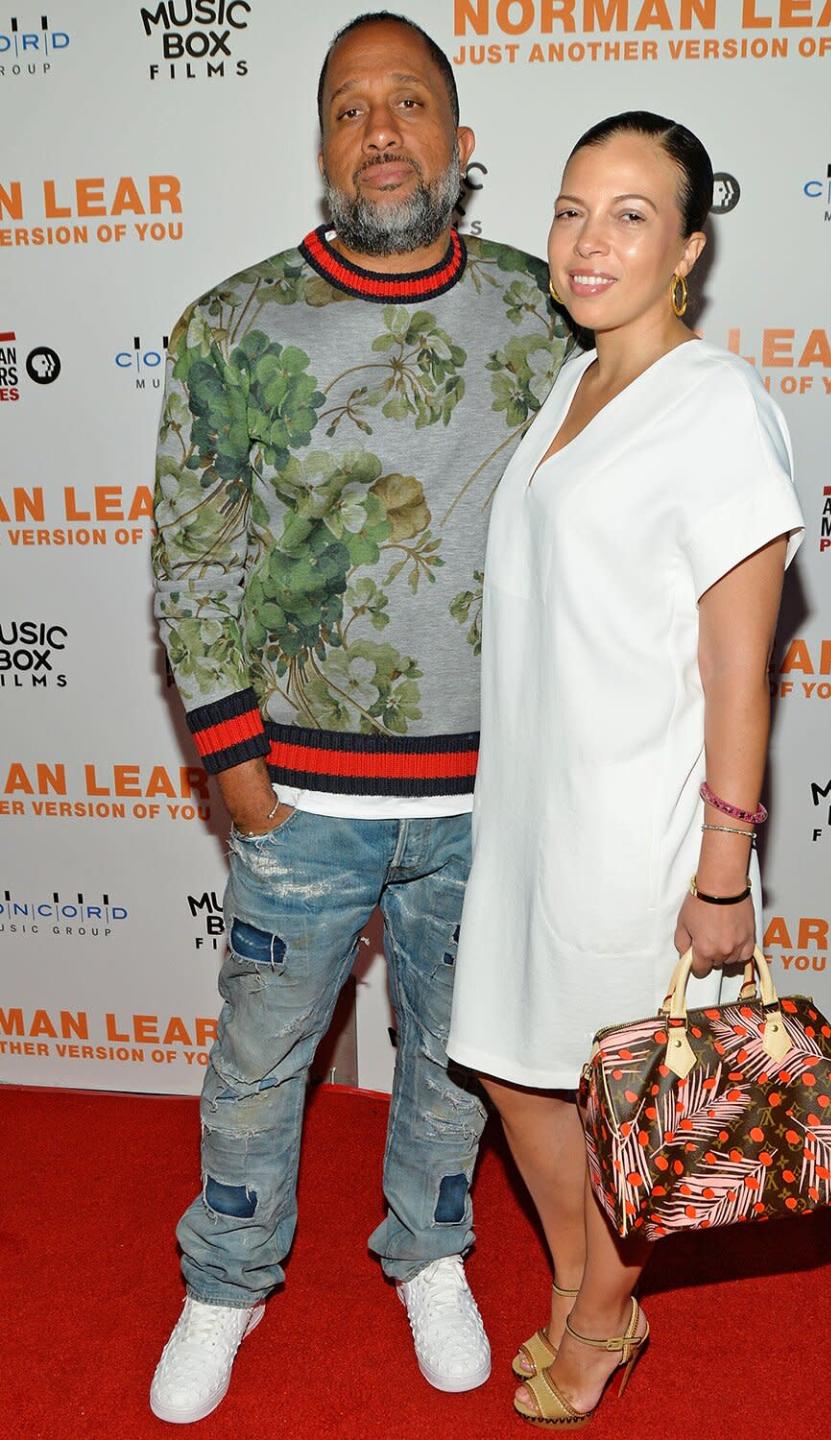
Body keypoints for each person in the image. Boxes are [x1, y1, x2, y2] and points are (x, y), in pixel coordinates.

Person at [149, 11, 570, 1424]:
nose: (380, 131)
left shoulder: (549, 315)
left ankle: (431, 1254)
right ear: (324, 145)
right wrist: (237, 767)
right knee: (260, 1062)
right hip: (304, 799)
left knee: (459, 1058)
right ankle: (224, 1280)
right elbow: (196, 554)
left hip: (491, 795)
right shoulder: (233, 321)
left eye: (409, 102)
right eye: (348, 108)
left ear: (461, 141)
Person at [447, 111, 804, 1426]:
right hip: (533, 808)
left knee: (621, 1095)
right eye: (572, 210)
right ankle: (592, 1282)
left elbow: (738, 663)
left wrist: (721, 868)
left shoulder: (717, 409)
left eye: (633, 215)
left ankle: (600, 1314)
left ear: (691, 249)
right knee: (505, 1059)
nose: (591, 242)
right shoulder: (577, 375)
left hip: (637, 821)